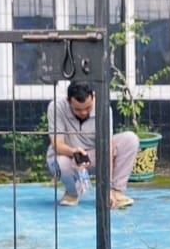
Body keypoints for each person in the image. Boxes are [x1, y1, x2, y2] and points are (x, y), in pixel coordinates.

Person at [46, 81, 138, 209]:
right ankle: (72, 192)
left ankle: (116, 191)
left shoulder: (103, 108)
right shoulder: (56, 107)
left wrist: (107, 188)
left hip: (95, 155)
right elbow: (57, 144)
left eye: (88, 108)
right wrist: (74, 152)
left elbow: (107, 147)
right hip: (68, 156)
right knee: (59, 163)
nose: (83, 112)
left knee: (130, 139)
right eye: (78, 109)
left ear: (93, 97)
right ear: (68, 101)